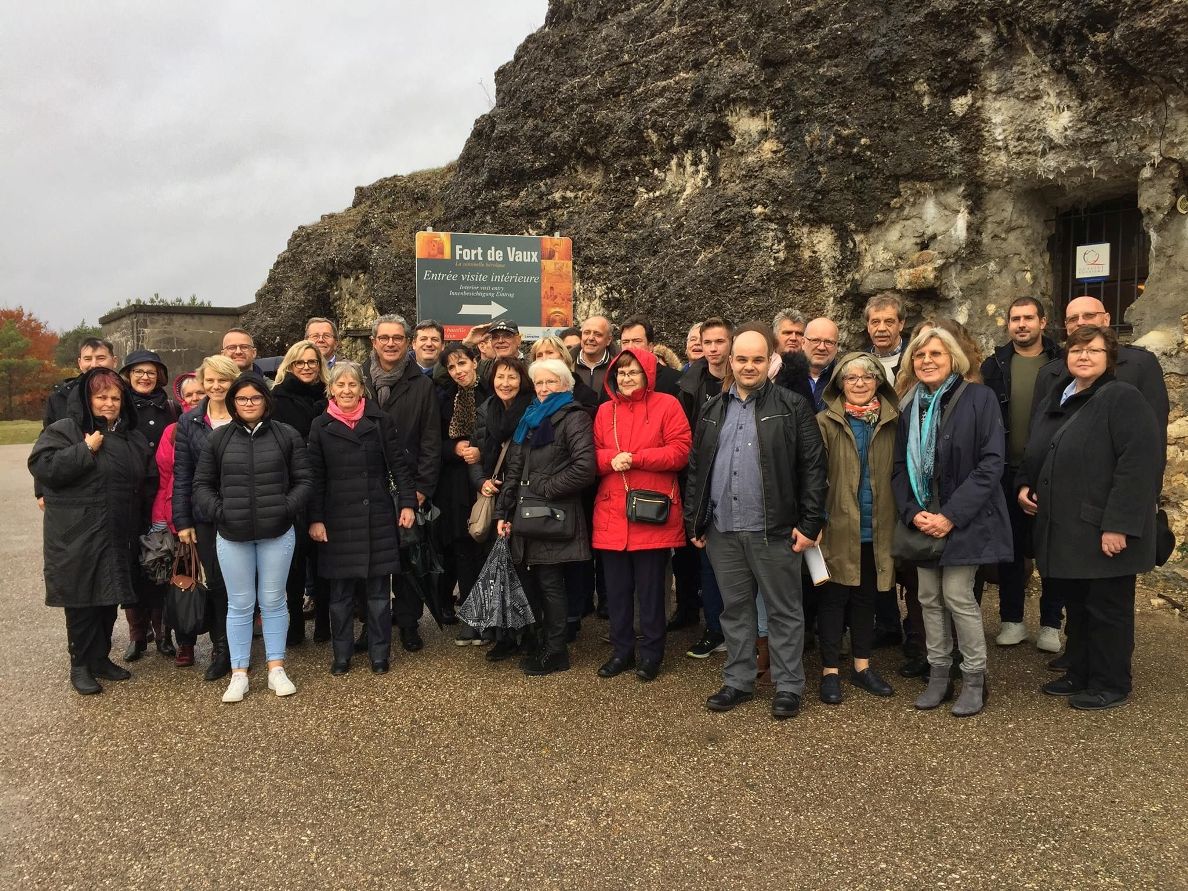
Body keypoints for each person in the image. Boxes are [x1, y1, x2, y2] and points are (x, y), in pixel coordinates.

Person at [685, 324, 828, 720]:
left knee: (783, 610)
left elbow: (814, 467)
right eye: (742, 359)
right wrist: (694, 522)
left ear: (770, 362)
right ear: (731, 361)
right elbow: (697, 468)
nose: (749, 366)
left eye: (757, 359)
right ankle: (739, 680)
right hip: (723, 530)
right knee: (735, 610)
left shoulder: (792, 405)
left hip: (775, 529)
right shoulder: (713, 409)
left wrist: (811, 522)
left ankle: (788, 685)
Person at [1017, 326, 1161, 710]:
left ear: (1109, 357)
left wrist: (1119, 525)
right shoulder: (1061, 395)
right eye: (1077, 350)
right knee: (1078, 605)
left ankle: (1110, 682)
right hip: (1067, 527)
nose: (1083, 356)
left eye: (1093, 350)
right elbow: (1037, 447)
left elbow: (1138, 466)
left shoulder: (1121, 397)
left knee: (1107, 609)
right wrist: (1025, 483)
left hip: (1102, 526)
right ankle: (1080, 671)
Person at [892, 327, 1012, 717]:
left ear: (953, 359)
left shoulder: (980, 398)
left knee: (959, 597)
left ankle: (974, 677)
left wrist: (951, 516)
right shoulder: (911, 406)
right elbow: (898, 469)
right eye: (920, 355)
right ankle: (939, 675)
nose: (927, 361)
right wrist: (913, 512)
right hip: (924, 519)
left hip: (967, 518)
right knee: (927, 597)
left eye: (936, 354)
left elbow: (991, 463)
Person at [29, 367, 151, 694]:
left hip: (116, 530)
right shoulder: (66, 430)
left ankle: (100, 658)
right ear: (88, 398)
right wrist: (85, 450)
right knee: (82, 600)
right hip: (78, 532)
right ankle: (79, 664)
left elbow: (144, 479)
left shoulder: (130, 436)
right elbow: (43, 467)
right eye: (101, 397)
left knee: (108, 597)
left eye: (115, 397)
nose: (109, 403)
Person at [193, 374, 313, 702]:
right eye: (243, 399)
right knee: (240, 604)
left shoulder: (285, 435)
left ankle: (276, 668)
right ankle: (239, 673)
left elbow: (304, 480)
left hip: (277, 532)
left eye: (255, 398)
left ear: (265, 401)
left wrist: (285, 509)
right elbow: (201, 484)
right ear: (233, 402)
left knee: (274, 602)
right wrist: (221, 512)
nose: (249, 404)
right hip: (232, 535)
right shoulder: (218, 440)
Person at [307, 363, 417, 674]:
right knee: (340, 596)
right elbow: (314, 477)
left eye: (352, 385)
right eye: (339, 385)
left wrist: (407, 504)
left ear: (361, 389)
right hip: (338, 521)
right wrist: (315, 519)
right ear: (331, 389)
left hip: (377, 517)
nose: (346, 390)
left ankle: (379, 654)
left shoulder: (380, 421)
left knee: (379, 594)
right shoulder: (320, 425)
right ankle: (341, 654)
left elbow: (399, 466)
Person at [592, 348, 691, 682]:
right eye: (621, 372)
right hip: (612, 511)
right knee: (617, 591)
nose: (626, 377)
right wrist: (609, 460)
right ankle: (621, 651)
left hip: (651, 511)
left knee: (650, 591)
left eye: (633, 371)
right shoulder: (605, 411)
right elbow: (591, 453)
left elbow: (681, 452)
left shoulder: (668, 405)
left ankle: (651, 654)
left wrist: (636, 458)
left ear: (648, 373)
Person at [495, 358, 596, 676]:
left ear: (565, 384)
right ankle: (541, 644)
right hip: (525, 515)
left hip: (551, 514)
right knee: (533, 583)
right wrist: (503, 510)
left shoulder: (573, 417)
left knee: (551, 584)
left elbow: (585, 466)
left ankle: (556, 652)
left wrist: (544, 487)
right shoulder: (530, 417)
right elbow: (514, 466)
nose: (543, 388)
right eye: (539, 383)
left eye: (550, 382)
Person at [815, 353, 899, 703]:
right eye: (851, 378)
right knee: (833, 600)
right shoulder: (824, 422)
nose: (860, 383)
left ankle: (862, 666)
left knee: (867, 599)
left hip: (876, 527)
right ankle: (830, 671)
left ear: (879, 381)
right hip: (836, 525)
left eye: (868, 376)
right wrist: (815, 518)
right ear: (840, 384)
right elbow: (813, 476)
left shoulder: (895, 422)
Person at [979, 297, 1063, 651]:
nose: (1022, 324)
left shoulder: (1061, 362)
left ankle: (1050, 623)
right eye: (1015, 319)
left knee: (1052, 550)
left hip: (1053, 469)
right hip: (1006, 471)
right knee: (1010, 549)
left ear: (1043, 322)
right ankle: (1012, 620)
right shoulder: (994, 365)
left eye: (1029, 318)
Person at [362, 314, 442, 651]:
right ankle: (371, 626)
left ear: (407, 343)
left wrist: (421, 489)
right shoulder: (360, 379)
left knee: (408, 559)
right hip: (366, 487)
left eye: (398, 338)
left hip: (407, 485)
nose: (391, 343)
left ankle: (409, 624)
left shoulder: (421, 384)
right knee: (371, 562)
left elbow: (430, 440)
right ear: (374, 342)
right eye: (385, 338)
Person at [1033, 295, 1169, 471]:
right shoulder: (1049, 373)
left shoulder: (1140, 365)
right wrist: (1028, 480)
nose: (1080, 322)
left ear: (1106, 319)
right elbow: (1037, 436)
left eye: (1089, 315)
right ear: (1067, 327)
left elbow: (1154, 437)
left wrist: (1150, 492)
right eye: (1073, 318)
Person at [172, 355, 240, 677]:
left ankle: (242, 647)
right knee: (215, 583)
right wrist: (183, 521)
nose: (215, 386)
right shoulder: (190, 421)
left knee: (243, 583)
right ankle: (221, 648)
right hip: (205, 514)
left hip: (243, 511)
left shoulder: (246, 412)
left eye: (222, 380)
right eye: (210, 380)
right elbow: (182, 472)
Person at [118, 349, 179, 660]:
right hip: (130, 498)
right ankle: (137, 634)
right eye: (138, 371)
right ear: (128, 375)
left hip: (161, 497)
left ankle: (163, 632)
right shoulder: (121, 409)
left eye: (150, 372)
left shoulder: (172, 408)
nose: (144, 377)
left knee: (162, 562)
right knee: (131, 567)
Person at [676, 317, 733, 650]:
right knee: (707, 557)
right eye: (707, 342)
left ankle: (743, 630)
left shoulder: (743, 380)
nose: (713, 349)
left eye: (719, 342)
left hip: (735, 476)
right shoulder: (688, 383)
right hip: (701, 478)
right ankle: (714, 628)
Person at [474, 357, 534, 661]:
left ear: (522, 380)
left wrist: (507, 509)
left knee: (520, 570)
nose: (505, 383)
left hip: (520, 499)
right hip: (495, 493)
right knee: (497, 570)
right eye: (500, 377)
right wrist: (481, 481)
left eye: (511, 377)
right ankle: (503, 635)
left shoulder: (531, 410)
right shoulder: (490, 410)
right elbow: (476, 452)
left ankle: (526, 634)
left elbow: (524, 462)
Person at [271, 340, 329, 643]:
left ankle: (323, 621)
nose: (306, 367)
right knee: (293, 561)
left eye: (312, 362)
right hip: (290, 485)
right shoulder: (277, 398)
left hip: (325, 483)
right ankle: (294, 621)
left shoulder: (329, 396)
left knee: (323, 558)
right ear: (290, 366)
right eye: (300, 362)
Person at [435, 343, 491, 642]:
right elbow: (434, 440)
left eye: (462, 363)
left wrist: (480, 451)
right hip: (455, 483)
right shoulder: (445, 399)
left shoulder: (493, 392)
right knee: (463, 550)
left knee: (487, 549)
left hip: (485, 479)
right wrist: (455, 447)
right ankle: (472, 616)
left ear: (475, 361)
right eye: (452, 367)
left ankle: (491, 616)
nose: (458, 371)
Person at [37, 337, 118, 510]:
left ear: (114, 361)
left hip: (115, 485)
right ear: (80, 363)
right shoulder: (59, 398)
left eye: (101, 358)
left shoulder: (124, 395)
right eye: (88, 359)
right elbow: (45, 443)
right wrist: (41, 490)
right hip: (72, 486)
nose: (94, 364)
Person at [618, 317, 682, 397]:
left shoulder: (676, 380)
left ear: (650, 346)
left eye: (637, 341)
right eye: (625, 342)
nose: (630, 347)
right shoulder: (613, 379)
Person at [864, 293, 909, 381]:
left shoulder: (915, 356)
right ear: (868, 326)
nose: (881, 329)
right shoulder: (860, 360)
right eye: (875, 322)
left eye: (889, 322)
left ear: (901, 324)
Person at [803, 317, 840, 412]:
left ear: (836, 347)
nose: (821, 347)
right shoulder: (785, 376)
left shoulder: (844, 380)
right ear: (803, 343)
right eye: (815, 340)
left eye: (829, 342)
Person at [572, 316, 614, 396]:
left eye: (597, 334)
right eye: (586, 333)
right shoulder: (567, 366)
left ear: (608, 340)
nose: (591, 338)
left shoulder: (618, 368)